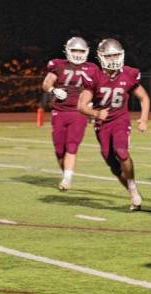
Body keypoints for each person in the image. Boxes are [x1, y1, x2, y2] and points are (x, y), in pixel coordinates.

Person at [77, 38, 149, 210]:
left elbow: (144, 97)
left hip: (120, 120)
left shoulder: (129, 73)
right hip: (102, 123)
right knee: (112, 163)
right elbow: (81, 105)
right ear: (101, 57)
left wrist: (144, 118)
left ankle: (132, 187)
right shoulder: (94, 75)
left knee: (121, 151)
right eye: (109, 56)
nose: (113, 59)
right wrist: (95, 113)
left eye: (116, 55)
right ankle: (132, 192)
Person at [43, 37, 100, 190]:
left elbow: (98, 89)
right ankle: (66, 173)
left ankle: (67, 179)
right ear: (67, 51)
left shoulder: (92, 68)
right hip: (59, 111)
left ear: (86, 52)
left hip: (78, 112)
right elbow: (46, 83)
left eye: (80, 51)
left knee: (72, 145)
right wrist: (53, 90)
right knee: (59, 149)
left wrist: (94, 105)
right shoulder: (58, 65)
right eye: (74, 50)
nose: (77, 54)